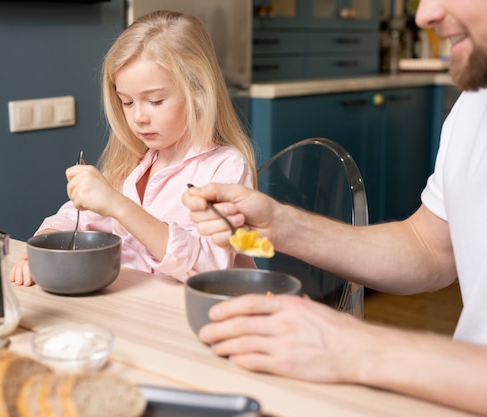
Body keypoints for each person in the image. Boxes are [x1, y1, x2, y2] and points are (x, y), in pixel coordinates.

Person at [182, 0, 487, 415]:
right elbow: (430, 247)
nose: (424, 15)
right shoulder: (475, 102)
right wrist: (280, 225)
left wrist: (353, 347)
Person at [11, 10, 257, 286]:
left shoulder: (225, 168)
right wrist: (44, 246)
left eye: (154, 101)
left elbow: (210, 268)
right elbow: (79, 215)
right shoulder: (132, 161)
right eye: (127, 102)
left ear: (198, 93)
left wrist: (119, 206)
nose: (138, 117)